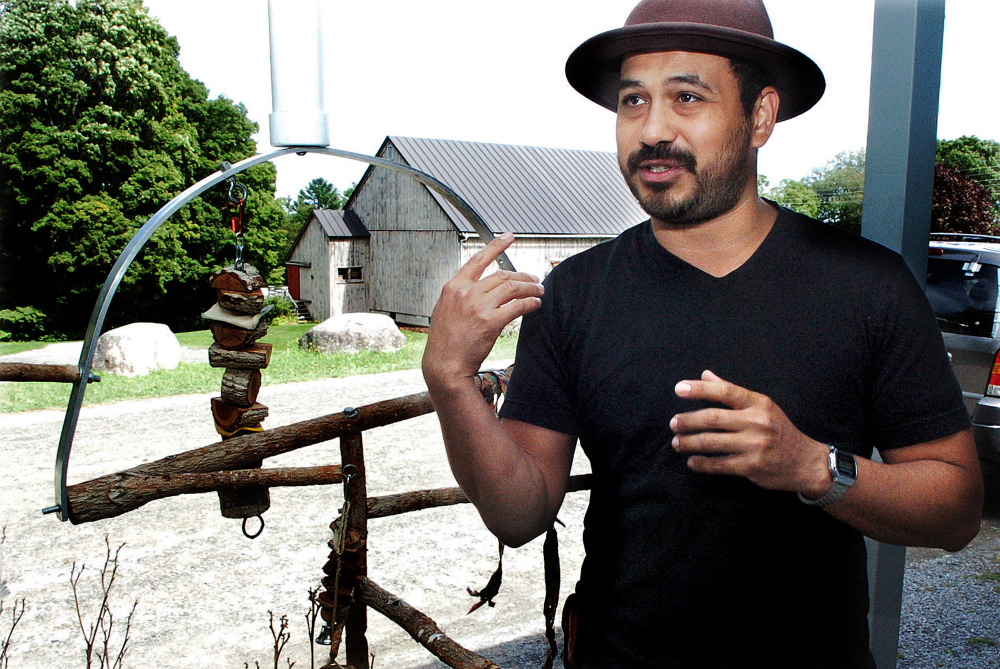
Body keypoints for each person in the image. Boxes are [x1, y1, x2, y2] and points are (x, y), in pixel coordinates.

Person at [421, 0, 984, 667]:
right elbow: (519, 515)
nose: (652, 129)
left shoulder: (868, 286)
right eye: (633, 101)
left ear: (761, 116)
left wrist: (811, 466)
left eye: (687, 96)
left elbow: (956, 507)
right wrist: (451, 381)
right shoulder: (572, 295)